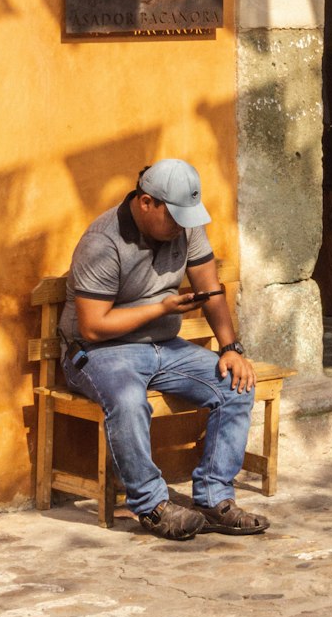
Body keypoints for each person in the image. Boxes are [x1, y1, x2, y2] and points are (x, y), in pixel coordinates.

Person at [59, 158, 269, 540]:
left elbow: (211, 291)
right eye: (173, 216)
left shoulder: (187, 228)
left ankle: (213, 498)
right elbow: (92, 326)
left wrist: (231, 348)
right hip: (98, 352)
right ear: (145, 202)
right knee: (127, 399)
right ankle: (153, 507)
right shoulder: (103, 242)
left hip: (164, 346)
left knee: (236, 384)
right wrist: (161, 308)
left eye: (187, 217)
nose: (181, 226)